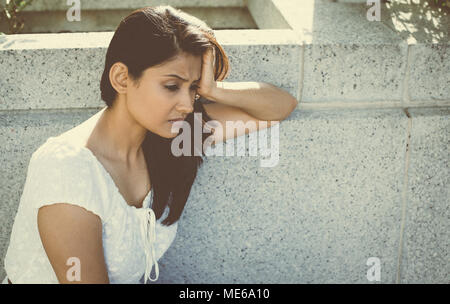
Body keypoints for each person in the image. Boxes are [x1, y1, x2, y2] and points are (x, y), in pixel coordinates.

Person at [2, 5, 297, 284]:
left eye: (193, 88)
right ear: (121, 78)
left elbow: (279, 107)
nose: (186, 104)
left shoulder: (173, 137)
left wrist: (214, 90)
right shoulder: (67, 169)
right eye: (172, 86)